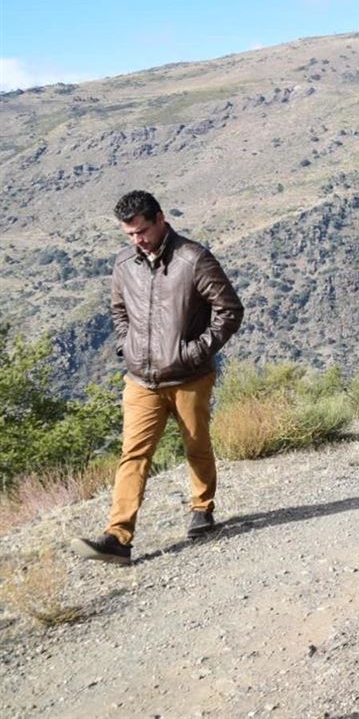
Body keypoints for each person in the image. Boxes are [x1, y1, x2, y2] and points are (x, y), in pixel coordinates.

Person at [70, 191, 244, 565]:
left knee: (196, 445)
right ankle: (118, 536)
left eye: (143, 231)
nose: (138, 240)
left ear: (161, 218)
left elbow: (229, 310)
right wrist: (126, 346)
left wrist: (192, 352)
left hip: (189, 377)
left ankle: (202, 508)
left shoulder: (193, 258)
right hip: (140, 380)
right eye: (130, 234)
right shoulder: (124, 264)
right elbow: (119, 310)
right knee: (133, 454)